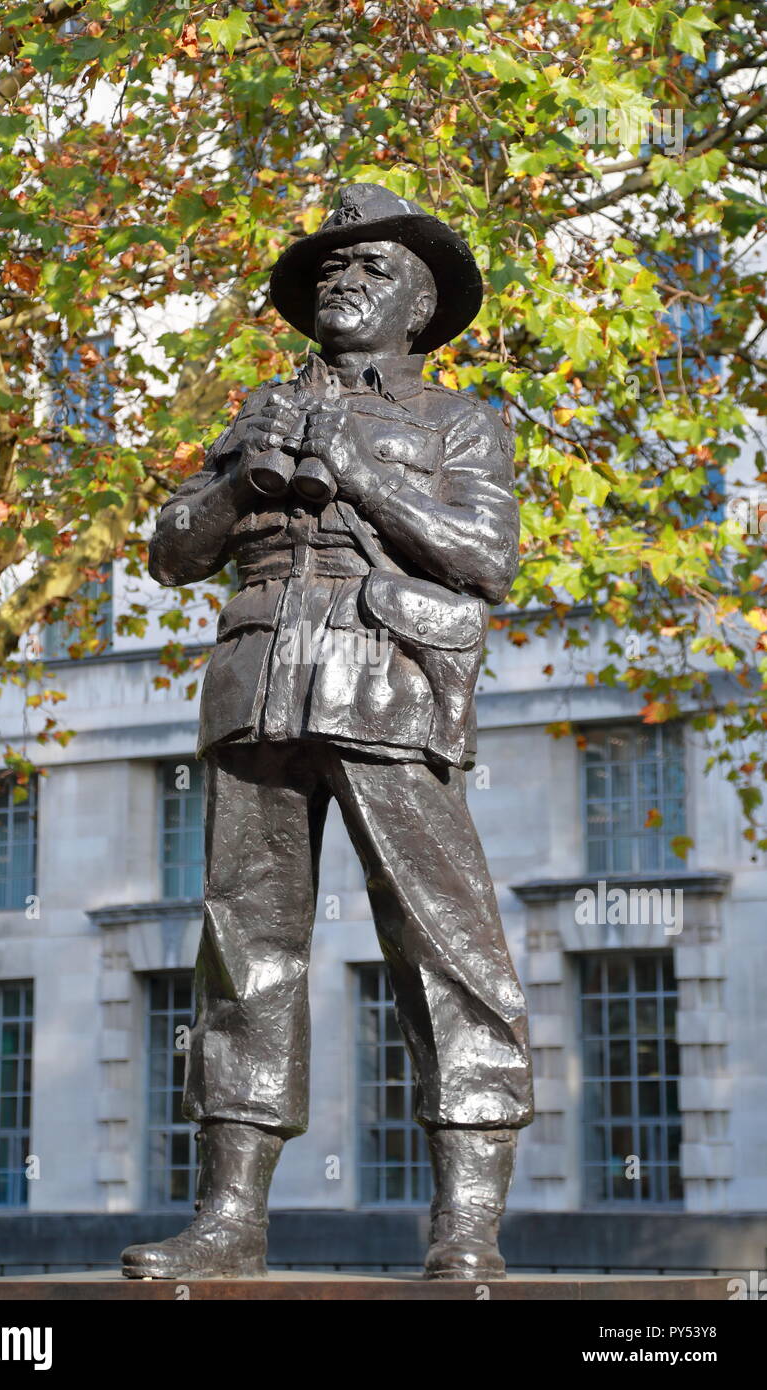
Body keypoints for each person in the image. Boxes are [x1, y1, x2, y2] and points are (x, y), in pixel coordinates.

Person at [122, 183, 533, 1281]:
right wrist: (234, 479)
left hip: (390, 687)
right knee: (243, 959)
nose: (341, 284)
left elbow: (483, 560)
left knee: (445, 949)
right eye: (327, 271)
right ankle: (228, 1219)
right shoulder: (256, 405)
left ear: (418, 306)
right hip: (258, 687)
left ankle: (466, 1224)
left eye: (370, 270)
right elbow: (171, 549)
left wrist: (351, 474)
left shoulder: (456, 423)